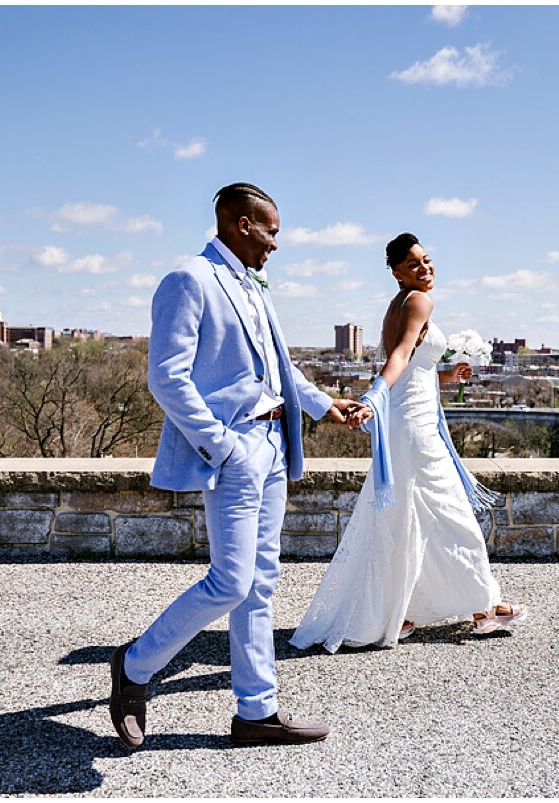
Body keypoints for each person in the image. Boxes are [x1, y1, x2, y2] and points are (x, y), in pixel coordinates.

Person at [109, 182, 367, 749]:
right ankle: (134, 667)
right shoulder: (189, 279)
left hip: (275, 445)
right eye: (271, 230)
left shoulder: (254, 284)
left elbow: (280, 369)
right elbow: (167, 377)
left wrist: (326, 407)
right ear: (242, 224)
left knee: (260, 586)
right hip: (233, 450)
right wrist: (220, 445)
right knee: (231, 581)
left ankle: (257, 712)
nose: (276, 243)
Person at [289, 232, 527, 653]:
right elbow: (397, 358)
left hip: (406, 420)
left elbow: (411, 367)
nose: (425, 269)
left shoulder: (397, 304)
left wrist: (445, 376)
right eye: (414, 264)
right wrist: (372, 397)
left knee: (411, 520)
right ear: (397, 272)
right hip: (415, 429)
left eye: (427, 260)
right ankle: (483, 606)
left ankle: (406, 613)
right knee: (453, 517)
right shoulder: (418, 301)